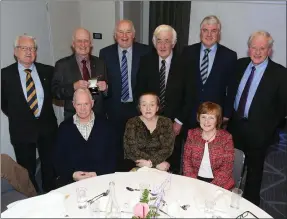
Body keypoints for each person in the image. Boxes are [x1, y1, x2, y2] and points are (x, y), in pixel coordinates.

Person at [227, 30, 287, 205]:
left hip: (260, 134)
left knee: (254, 176)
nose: (258, 52)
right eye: (254, 47)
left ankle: (250, 208)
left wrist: (268, 128)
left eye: (263, 48)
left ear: (269, 50)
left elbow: (283, 107)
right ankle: (227, 203)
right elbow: (231, 92)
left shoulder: (280, 74)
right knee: (231, 169)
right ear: (248, 48)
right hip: (235, 128)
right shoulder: (239, 65)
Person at [1, 35, 58, 192]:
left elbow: (56, 93)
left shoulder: (48, 71)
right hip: (22, 131)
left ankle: (51, 193)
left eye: (32, 48)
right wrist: (23, 116)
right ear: (15, 51)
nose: (29, 52)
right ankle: (32, 197)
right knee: (27, 170)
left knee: (49, 165)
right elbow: (4, 104)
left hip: (47, 128)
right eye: (24, 48)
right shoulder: (5, 75)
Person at [99, 20, 150, 171]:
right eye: (121, 32)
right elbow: (103, 80)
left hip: (138, 108)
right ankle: (121, 174)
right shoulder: (105, 53)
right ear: (115, 35)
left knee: (139, 144)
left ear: (134, 35)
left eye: (128, 32)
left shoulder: (146, 51)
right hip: (114, 108)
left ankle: (138, 174)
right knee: (117, 145)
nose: (124, 35)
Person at [176, 15, 238, 135]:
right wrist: (179, 117)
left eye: (213, 31)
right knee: (190, 152)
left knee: (211, 153)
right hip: (189, 115)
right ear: (200, 32)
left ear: (219, 33)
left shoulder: (229, 56)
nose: (209, 34)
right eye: (205, 30)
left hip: (214, 118)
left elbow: (231, 88)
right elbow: (181, 86)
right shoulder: (187, 52)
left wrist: (226, 114)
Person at [135, 24, 184, 173]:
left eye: (167, 41)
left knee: (171, 166)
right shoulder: (145, 61)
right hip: (149, 122)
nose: (162, 45)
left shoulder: (185, 63)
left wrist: (179, 121)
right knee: (150, 165)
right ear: (154, 43)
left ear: (173, 43)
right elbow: (140, 92)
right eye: (159, 41)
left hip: (173, 125)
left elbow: (190, 95)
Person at [54, 88, 116, 186]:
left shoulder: (106, 125)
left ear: (92, 103)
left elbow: (113, 157)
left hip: (102, 179)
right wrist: (72, 174)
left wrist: (98, 174)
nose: (82, 108)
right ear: (73, 104)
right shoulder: (64, 128)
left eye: (86, 104)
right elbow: (58, 159)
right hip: (73, 183)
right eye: (79, 104)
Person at [52, 28, 108, 120]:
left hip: (98, 118)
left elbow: (109, 91)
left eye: (86, 41)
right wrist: (73, 87)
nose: (83, 44)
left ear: (90, 44)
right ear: (73, 44)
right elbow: (55, 92)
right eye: (79, 41)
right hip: (73, 118)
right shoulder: (62, 65)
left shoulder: (100, 63)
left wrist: (106, 88)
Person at [183, 102, 235, 190]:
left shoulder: (226, 138)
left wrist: (211, 187)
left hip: (219, 184)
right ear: (198, 118)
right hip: (195, 180)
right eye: (203, 117)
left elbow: (226, 169)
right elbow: (187, 162)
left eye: (211, 118)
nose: (206, 121)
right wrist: (194, 183)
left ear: (218, 120)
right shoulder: (192, 134)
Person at [124, 93, 175, 171]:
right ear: (139, 108)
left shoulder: (166, 122)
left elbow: (167, 148)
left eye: (152, 105)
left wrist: (151, 163)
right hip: (138, 165)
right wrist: (153, 164)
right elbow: (131, 150)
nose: (148, 108)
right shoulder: (132, 123)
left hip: (162, 166)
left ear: (157, 107)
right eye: (144, 105)